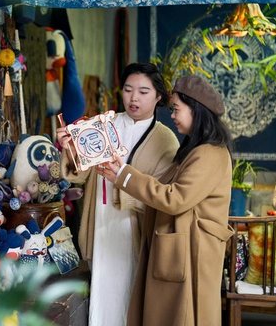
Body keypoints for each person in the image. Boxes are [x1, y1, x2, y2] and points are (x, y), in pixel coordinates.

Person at [97, 75, 233, 326]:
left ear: (196, 110)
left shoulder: (210, 154)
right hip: (179, 249)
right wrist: (121, 173)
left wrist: (124, 175)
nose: (172, 115)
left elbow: (175, 198)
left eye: (176, 109)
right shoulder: (196, 151)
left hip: (190, 254)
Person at [57, 63, 179, 326]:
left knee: (131, 294)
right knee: (101, 291)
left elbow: (165, 195)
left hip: (134, 226)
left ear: (159, 96)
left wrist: (124, 185)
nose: (134, 98)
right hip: (101, 221)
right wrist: (68, 148)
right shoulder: (104, 124)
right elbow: (79, 172)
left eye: (144, 91)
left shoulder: (165, 139)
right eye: (128, 89)